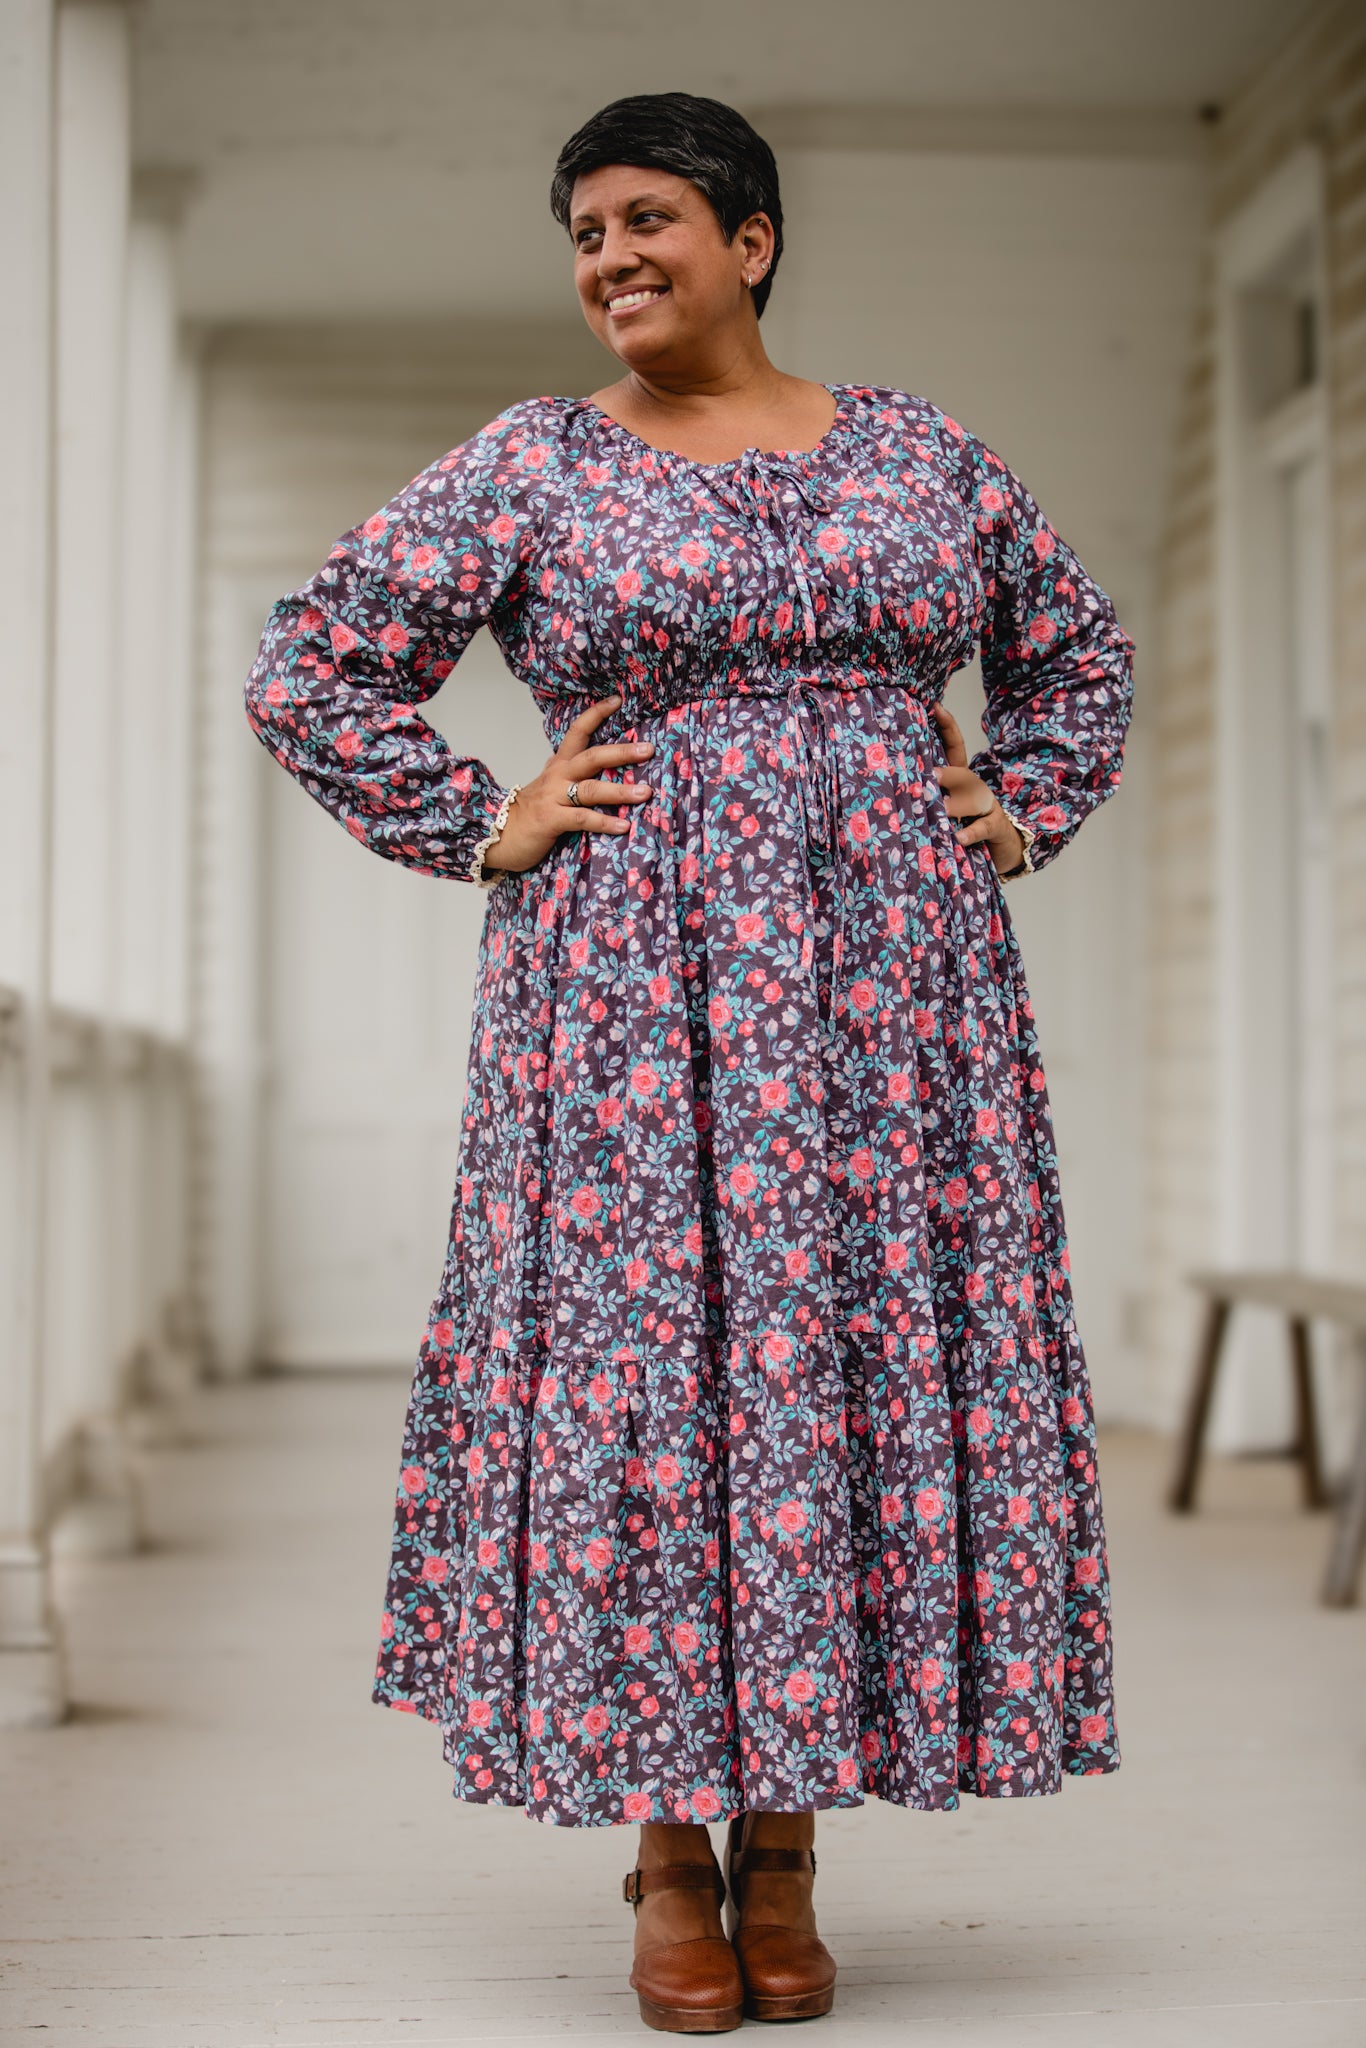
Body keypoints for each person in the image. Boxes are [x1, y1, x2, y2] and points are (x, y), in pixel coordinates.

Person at [245, 90, 1130, 2036]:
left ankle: (789, 1845)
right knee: (658, 1378)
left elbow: (1071, 650)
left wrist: (1023, 801)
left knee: (836, 1368)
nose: (606, 257)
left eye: (645, 217)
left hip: (894, 1003)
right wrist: (484, 814)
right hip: (630, 991)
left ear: (750, 238)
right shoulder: (530, 463)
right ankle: (663, 1847)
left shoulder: (919, 450)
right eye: (580, 232)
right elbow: (312, 661)